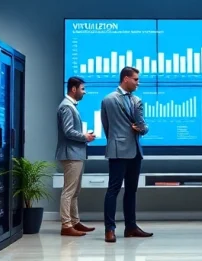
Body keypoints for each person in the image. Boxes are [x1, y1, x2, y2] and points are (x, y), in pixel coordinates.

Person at [101, 67, 152, 243]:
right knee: (113, 190)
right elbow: (108, 126)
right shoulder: (111, 99)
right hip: (120, 151)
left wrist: (141, 129)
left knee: (131, 191)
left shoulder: (133, 100)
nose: (138, 83)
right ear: (125, 79)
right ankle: (110, 229)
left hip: (133, 151)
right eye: (136, 79)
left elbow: (109, 127)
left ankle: (130, 227)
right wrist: (143, 129)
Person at [56, 76, 97, 237]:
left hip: (76, 153)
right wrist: (84, 136)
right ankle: (66, 225)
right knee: (69, 191)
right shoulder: (66, 107)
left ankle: (74, 221)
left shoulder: (70, 106)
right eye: (82, 89)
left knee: (75, 191)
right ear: (73, 89)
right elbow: (68, 131)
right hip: (70, 154)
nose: (84, 92)